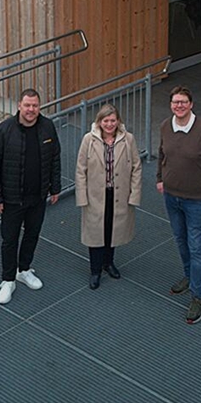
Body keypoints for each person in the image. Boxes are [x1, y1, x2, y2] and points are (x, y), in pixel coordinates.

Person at [157, 85, 201, 325]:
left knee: (196, 248)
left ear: (191, 104)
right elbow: (162, 154)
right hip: (172, 197)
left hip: (196, 201)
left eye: (183, 102)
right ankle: (189, 276)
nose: (179, 106)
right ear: (171, 105)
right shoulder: (165, 126)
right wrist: (160, 178)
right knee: (181, 240)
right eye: (175, 102)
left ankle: (198, 296)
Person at [0, 88, 61, 305]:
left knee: (32, 234)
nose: (31, 109)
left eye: (35, 105)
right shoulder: (4, 131)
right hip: (11, 199)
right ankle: (8, 279)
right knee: (9, 240)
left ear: (39, 107)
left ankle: (24, 269)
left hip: (37, 196)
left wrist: (55, 187)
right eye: (27, 105)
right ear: (19, 105)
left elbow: (55, 158)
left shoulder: (47, 127)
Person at [75, 103, 142, 289]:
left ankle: (109, 263)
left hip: (119, 194)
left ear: (118, 121)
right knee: (96, 232)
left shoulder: (128, 139)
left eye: (113, 120)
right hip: (96, 196)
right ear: (99, 122)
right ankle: (95, 270)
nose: (109, 124)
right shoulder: (88, 140)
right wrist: (82, 197)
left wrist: (134, 195)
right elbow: (80, 170)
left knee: (113, 229)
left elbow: (136, 168)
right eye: (106, 121)